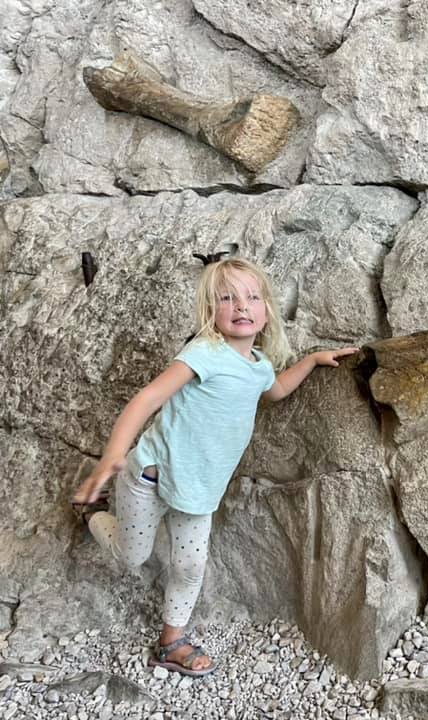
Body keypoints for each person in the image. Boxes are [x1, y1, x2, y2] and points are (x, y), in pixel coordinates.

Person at [72, 257, 357, 676]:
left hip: (198, 490)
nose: (241, 306)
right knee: (133, 555)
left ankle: (171, 643)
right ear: (211, 312)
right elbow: (147, 399)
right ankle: (93, 515)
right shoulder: (204, 352)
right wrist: (115, 453)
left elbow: (276, 390)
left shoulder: (259, 366)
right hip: (149, 478)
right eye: (227, 298)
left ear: (266, 310)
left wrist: (313, 361)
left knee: (190, 566)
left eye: (252, 297)